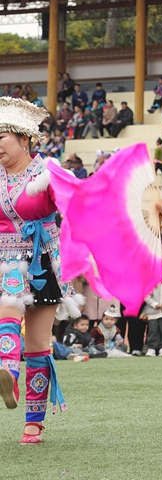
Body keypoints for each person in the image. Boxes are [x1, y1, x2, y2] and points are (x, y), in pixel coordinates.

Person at [0, 98, 83, 443]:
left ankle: (33, 423)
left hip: (43, 260)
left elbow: (76, 202)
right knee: (6, 311)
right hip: (5, 262)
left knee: (37, 345)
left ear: (24, 139)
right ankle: (7, 373)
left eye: (1, 137)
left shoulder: (48, 170)